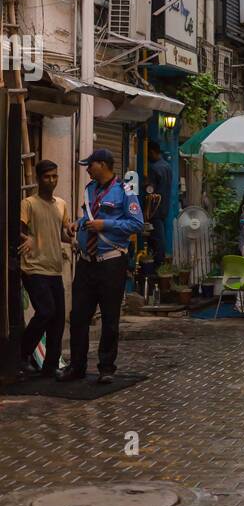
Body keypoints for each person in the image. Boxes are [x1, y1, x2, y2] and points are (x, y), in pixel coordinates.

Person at [58, 148, 144, 384]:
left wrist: (104, 225)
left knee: (109, 317)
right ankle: (77, 366)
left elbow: (136, 223)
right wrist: (78, 223)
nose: (87, 170)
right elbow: (89, 217)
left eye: (91, 165)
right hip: (87, 262)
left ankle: (106, 368)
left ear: (104, 165)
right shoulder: (90, 189)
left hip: (111, 262)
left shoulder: (126, 189)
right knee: (78, 316)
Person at [18, 159, 75, 378]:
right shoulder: (28, 203)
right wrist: (27, 238)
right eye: (47, 177)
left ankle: (50, 365)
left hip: (54, 268)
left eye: (55, 176)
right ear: (38, 178)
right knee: (45, 311)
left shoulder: (61, 204)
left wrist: (70, 233)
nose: (52, 180)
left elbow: (62, 233)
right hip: (33, 268)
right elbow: (18, 230)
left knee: (58, 319)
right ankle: (22, 355)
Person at [145, 141, 172, 268]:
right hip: (165, 207)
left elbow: (150, 189)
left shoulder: (153, 168)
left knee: (156, 237)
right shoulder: (167, 166)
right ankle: (161, 261)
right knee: (161, 235)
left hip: (154, 207)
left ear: (151, 152)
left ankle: (158, 264)